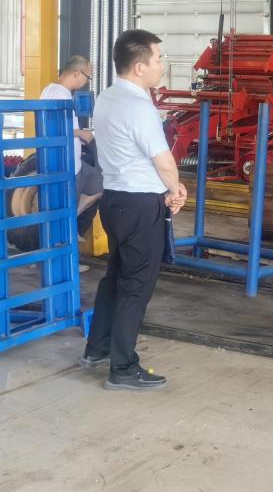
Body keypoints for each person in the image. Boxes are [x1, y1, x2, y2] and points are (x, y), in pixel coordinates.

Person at [81, 29, 187, 391]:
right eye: (158, 59)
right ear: (140, 67)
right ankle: (123, 367)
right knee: (136, 287)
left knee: (116, 277)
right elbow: (163, 160)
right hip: (140, 205)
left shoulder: (107, 97)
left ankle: (97, 348)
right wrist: (175, 189)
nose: (162, 65)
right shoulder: (140, 106)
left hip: (114, 200)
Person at [40, 55, 102, 209]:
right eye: (88, 77)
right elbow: (56, 129)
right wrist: (82, 134)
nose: (86, 81)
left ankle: (72, 217)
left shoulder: (50, 89)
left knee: (97, 184)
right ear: (77, 73)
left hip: (66, 162)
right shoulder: (61, 94)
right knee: (97, 185)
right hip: (67, 164)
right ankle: (72, 217)